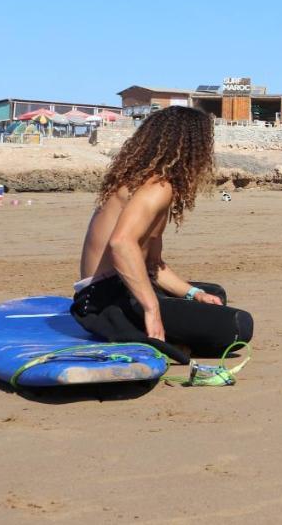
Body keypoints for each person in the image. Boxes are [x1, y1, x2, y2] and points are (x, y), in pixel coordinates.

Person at [70, 106, 253, 364]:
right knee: (239, 326)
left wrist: (193, 294)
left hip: (121, 290)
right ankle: (146, 333)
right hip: (102, 303)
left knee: (214, 294)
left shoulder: (150, 183)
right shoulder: (158, 187)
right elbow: (121, 244)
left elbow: (153, 267)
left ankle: (166, 332)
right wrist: (151, 308)